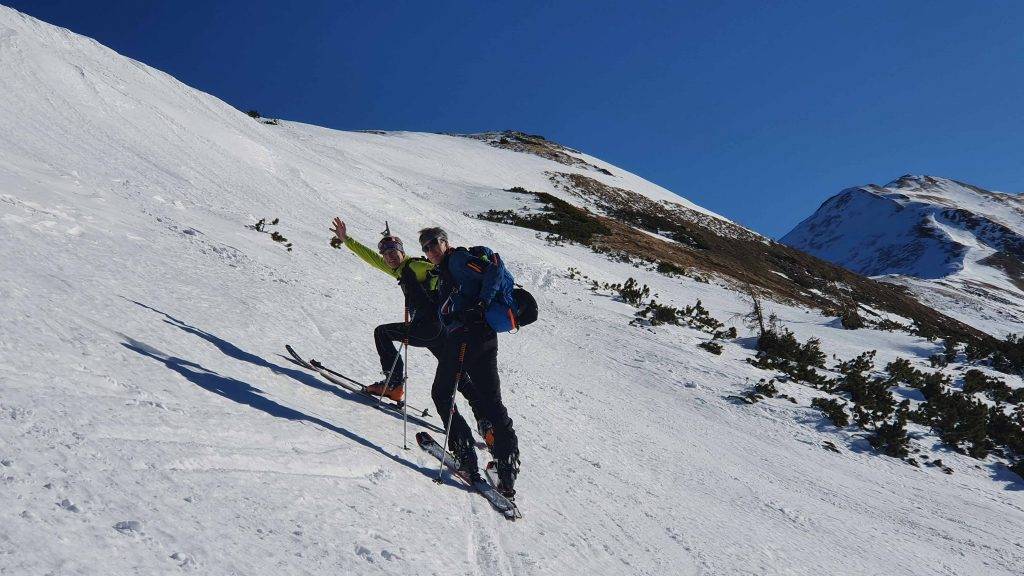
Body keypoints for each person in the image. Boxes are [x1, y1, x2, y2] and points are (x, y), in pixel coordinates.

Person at [329, 218, 485, 437]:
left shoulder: (415, 265)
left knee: (382, 332)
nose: (390, 257)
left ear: (402, 252)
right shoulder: (399, 269)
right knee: (457, 374)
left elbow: (436, 269)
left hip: (428, 327)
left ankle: (393, 385)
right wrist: (347, 240)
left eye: (394, 252)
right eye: (386, 254)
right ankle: (485, 421)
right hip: (439, 331)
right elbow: (372, 258)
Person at [419, 226, 521, 497]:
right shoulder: (444, 270)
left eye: (433, 244)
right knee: (490, 401)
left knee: (442, 393)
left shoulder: (457, 259)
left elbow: (494, 270)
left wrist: (480, 305)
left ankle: (465, 453)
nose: (430, 251)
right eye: (425, 247)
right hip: (480, 338)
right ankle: (506, 467)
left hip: (467, 338)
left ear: (445, 242)